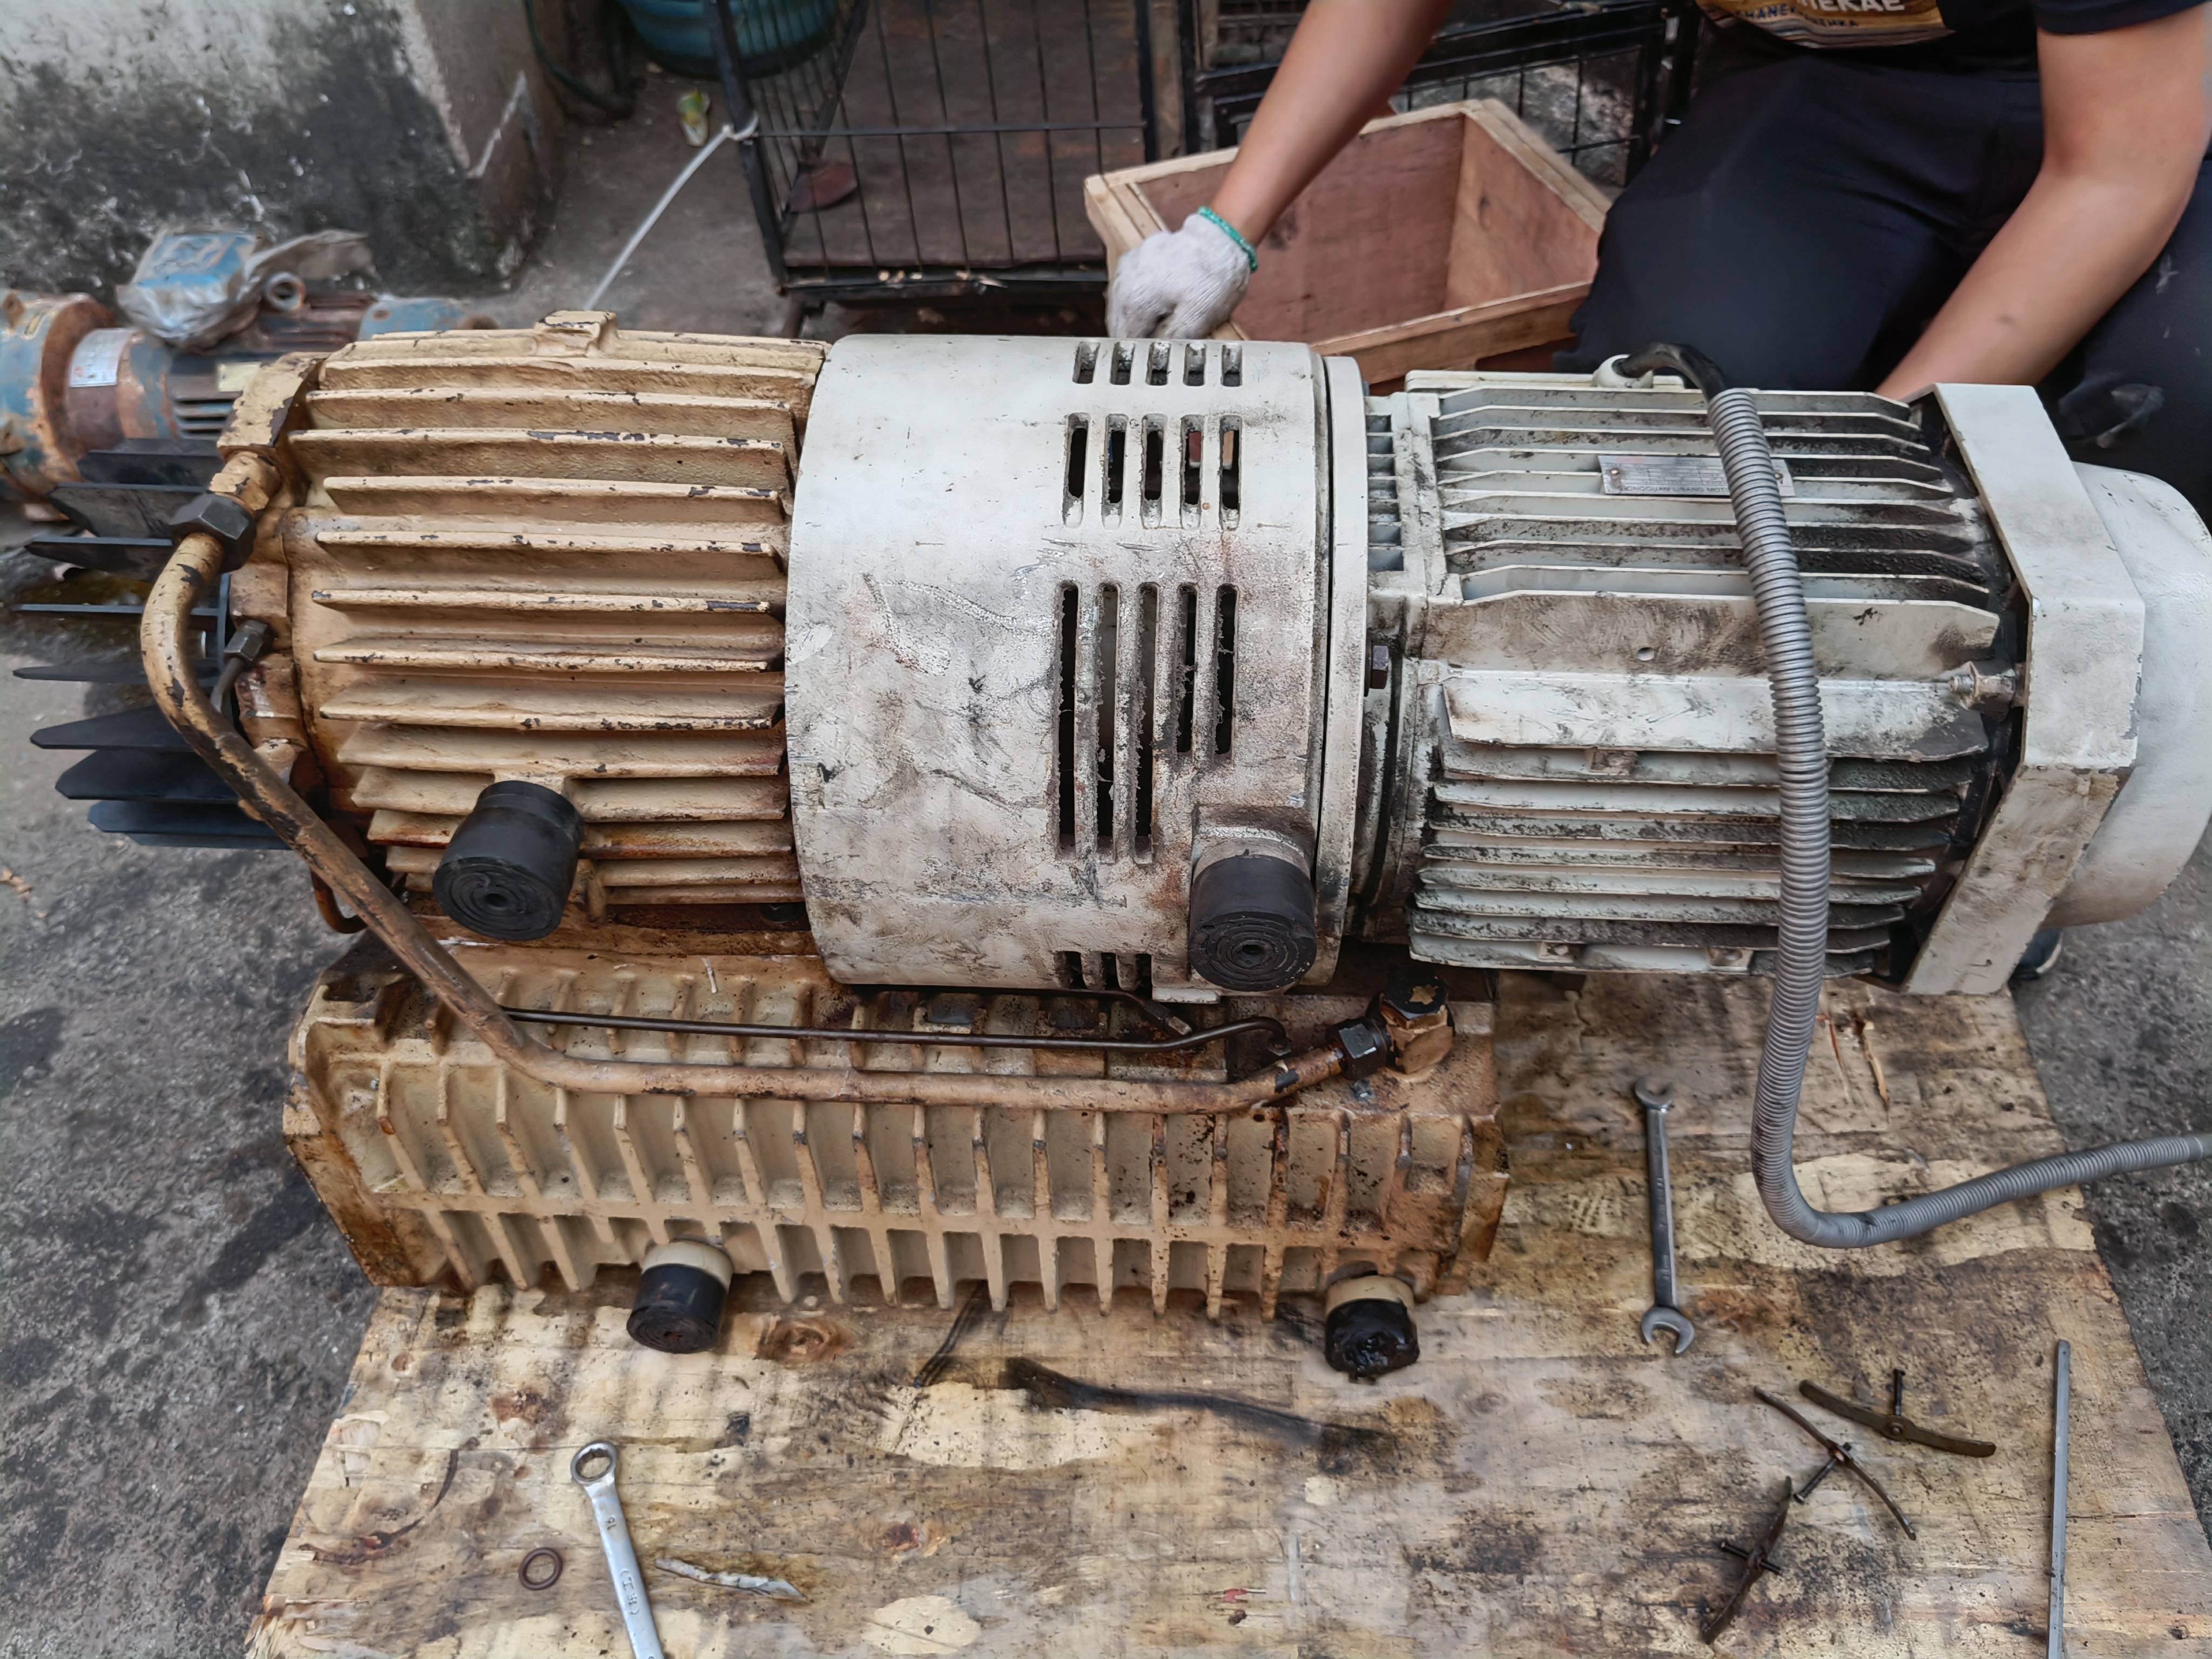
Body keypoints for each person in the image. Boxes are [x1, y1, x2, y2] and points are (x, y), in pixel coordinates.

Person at [1107, 0, 2212, 518]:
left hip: (2163, 101)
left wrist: (1880, 447)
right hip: (1837, 93)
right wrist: (1222, 233)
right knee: (1669, 409)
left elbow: (2111, 177)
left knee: (2159, 420)